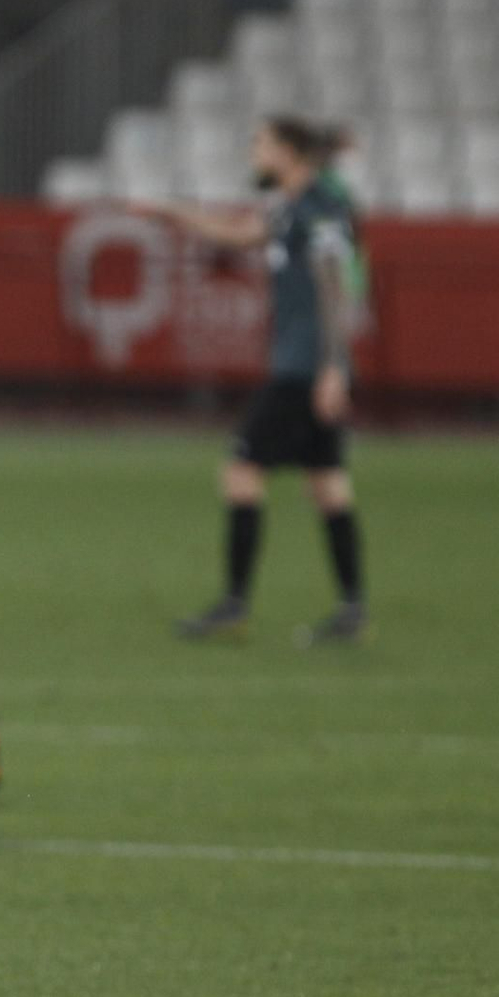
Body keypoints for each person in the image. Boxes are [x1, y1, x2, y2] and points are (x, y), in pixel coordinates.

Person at [156, 116, 369, 644]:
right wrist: (174, 213)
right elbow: (240, 232)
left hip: (305, 368)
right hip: (309, 365)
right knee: (327, 484)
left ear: (289, 152)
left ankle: (234, 606)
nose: (253, 150)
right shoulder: (293, 208)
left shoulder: (318, 208)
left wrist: (332, 368)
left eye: (262, 143)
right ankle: (351, 610)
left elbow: (332, 285)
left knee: (241, 472)